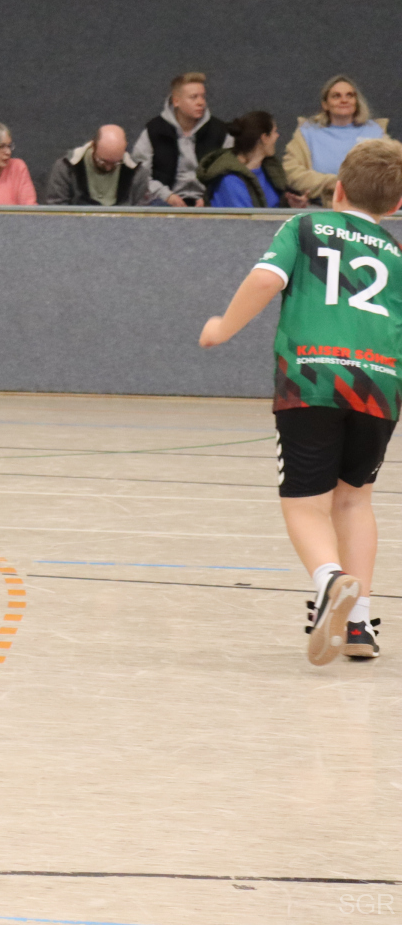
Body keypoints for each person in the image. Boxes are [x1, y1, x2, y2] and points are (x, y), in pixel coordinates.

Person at [199, 137, 402, 665]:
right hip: (379, 387)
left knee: (304, 503)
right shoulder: (397, 252)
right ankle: (359, 624)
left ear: (338, 189)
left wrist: (223, 327)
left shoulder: (305, 226)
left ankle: (330, 581)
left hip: (312, 379)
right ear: (397, 205)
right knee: (355, 499)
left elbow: (265, 281)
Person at [284, 76, 389, 205]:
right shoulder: (307, 132)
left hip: (368, 207)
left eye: (349, 95)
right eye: (336, 96)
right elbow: (291, 172)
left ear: (356, 101)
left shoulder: (375, 132)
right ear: (325, 104)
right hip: (320, 207)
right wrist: (331, 183)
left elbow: (391, 171)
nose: (344, 100)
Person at [130, 73, 229, 208]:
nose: (201, 102)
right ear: (176, 101)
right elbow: (140, 175)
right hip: (163, 201)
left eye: (203, 96)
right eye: (193, 97)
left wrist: (208, 196)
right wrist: (166, 195)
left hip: (209, 201)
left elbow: (230, 172)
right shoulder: (154, 131)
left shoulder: (220, 131)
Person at [202, 112, 304, 209]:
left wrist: (290, 205)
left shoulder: (269, 170)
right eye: (274, 132)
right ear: (264, 138)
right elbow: (244, 220)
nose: (277, 136)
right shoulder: (230, 181)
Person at [44, 124, 150, 207]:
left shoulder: (138, 173)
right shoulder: (66, 167)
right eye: (103, 161)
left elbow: (140, 213)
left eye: (116, 162)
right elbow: (56, 209)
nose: (108, 167)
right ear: (93, 146)